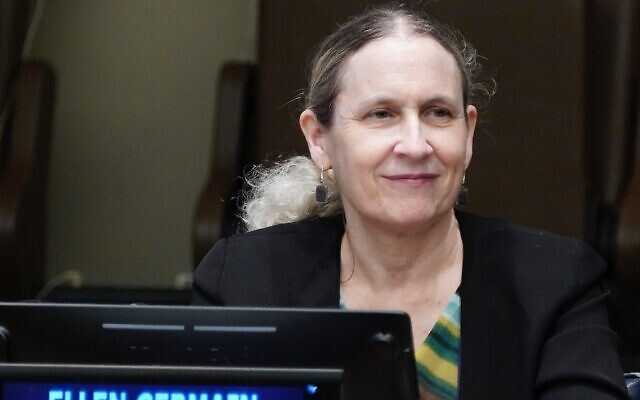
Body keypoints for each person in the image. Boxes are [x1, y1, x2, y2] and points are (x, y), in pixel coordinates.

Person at [192, 5, 628, 399]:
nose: (416, 144)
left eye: (438, 112)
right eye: (381, 114)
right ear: (319, 139)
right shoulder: (241, 281)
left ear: (468, 132)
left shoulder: (558, 282)